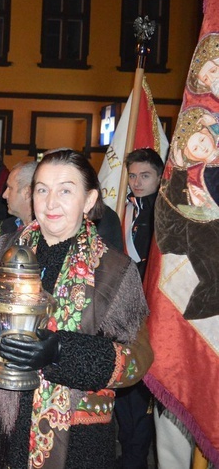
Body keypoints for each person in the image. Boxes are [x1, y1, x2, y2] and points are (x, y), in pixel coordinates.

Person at [0, 149, 153, 469]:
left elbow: (138, 357)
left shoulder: (115, 270)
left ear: (90, 198)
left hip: (73, 438)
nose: (51, 202)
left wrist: (61, 352)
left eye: (65, 190)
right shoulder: (0, 250)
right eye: (42, 189)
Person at [113, 148, 163, 469]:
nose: (137, 182)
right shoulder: (124, 208)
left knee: (141, 392)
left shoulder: (163, 214)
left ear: (160, 177)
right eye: (132, 175)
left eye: (145, 176)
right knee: (122, 383)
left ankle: (135, 460)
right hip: (123, 310)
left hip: (153, 313)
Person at [1, 160, 37, 233]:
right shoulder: (5, 226)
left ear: (27, 193)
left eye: (10, 188)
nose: (4, 195)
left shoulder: (47, 232)